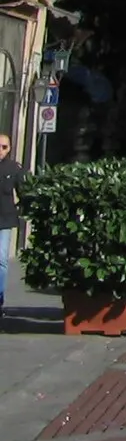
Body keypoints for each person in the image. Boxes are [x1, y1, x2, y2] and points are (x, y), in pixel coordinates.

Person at [0, 132, 21, 319]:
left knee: (1, 261)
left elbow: (24, 190)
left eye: (4, 147)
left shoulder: (13, 168)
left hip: (4, 220)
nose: (0, 150)